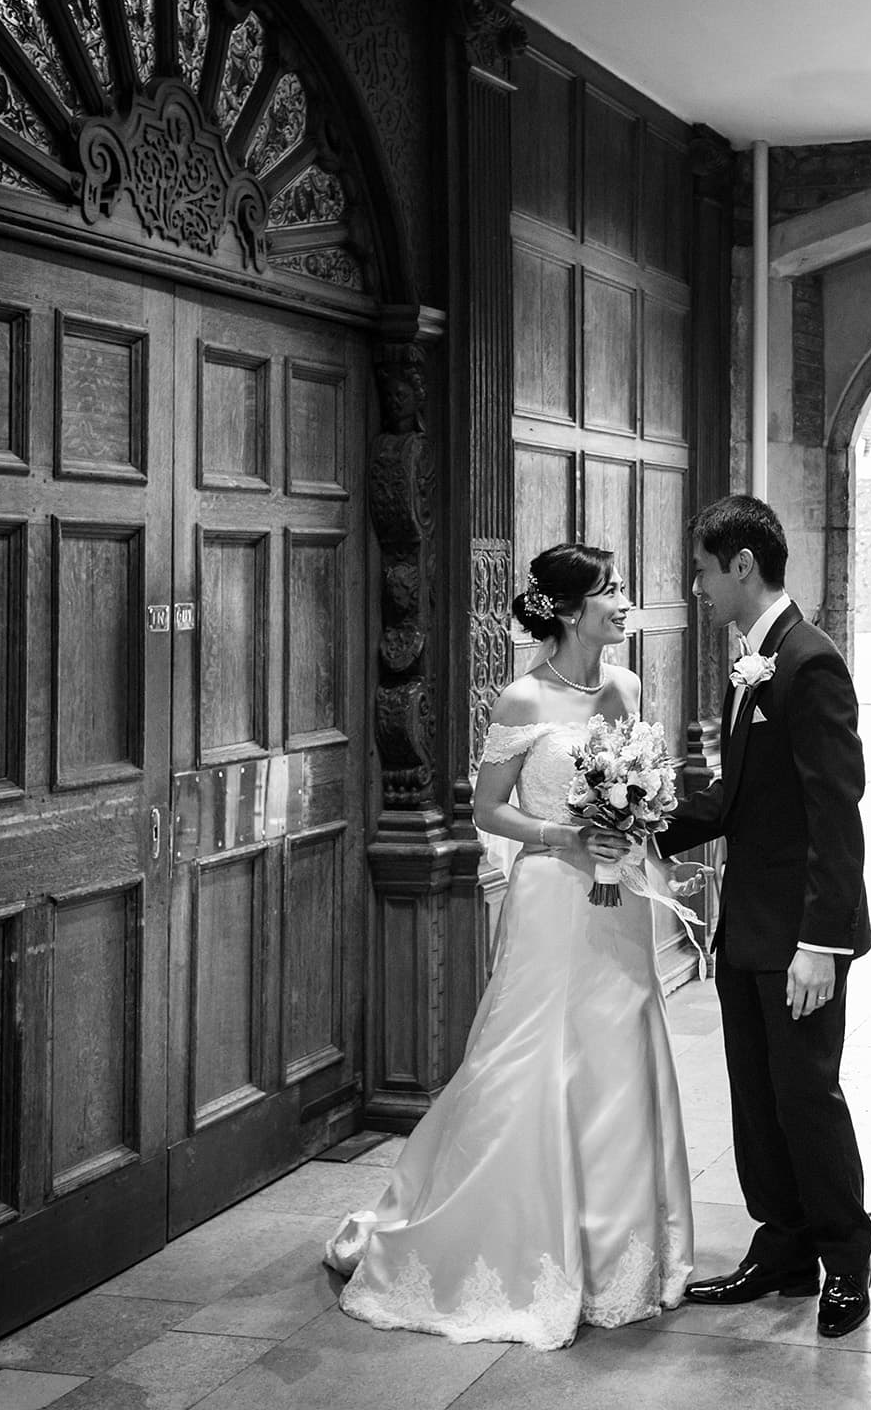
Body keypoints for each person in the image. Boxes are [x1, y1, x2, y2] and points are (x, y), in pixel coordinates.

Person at [324, 543, 695, 1347]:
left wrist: (633, 825)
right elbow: (490, 811)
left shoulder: (625, 687)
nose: (625, 601)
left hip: (617, 898)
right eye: (612, 591)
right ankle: (509, 1239)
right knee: (529, 1054)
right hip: (552, 896)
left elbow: (640, 780)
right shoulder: (521, 699)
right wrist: (570, 833)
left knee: (617, 1048)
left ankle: (619, 1255)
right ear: (567, 610)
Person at [656, 494, 871, 1338]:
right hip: (747, 925)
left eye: (706, 571)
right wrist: (638, 824)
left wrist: (820, 944)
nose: (699, 588)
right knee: (755, 1096)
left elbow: (836, 812)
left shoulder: (809, 661)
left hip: (799, 937)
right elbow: (733, 799)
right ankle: (782, 1247)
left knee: (805, 1095)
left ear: (742, 565)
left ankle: (846, 1259)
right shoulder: (752, 660)